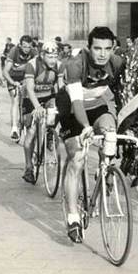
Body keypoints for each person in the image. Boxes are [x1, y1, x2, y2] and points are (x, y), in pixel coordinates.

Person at [56, 26, 125, 243]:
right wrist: (85, 127)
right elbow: (76, 102)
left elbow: (122, 94)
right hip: (71, 107)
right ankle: (73, 216)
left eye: (107, 48)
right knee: (77, 159)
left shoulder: (117, 62)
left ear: (113, 48)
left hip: (97, 104)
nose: (102, 54)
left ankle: (105, 170)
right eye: (97, 48)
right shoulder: (76, 64)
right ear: (89, 48)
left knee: (111, 132)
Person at [21, 41, 65, 183]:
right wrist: (37, 107)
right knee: (31, 132)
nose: (53, 60)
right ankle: (28, 167)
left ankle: (50, 136)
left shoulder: (59, 65)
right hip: (31, 98)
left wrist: (63, 105)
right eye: (50, 57)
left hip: (48, 96)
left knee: (54, 115)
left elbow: (60, 87)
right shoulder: (32, 65)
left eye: (55, 57)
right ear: (42, 55)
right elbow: (29, 88)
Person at [3, 35, 37, 140]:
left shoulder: (34, 52)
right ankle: (14, 128)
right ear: (20, 45)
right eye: (24, 46)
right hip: (13, 77)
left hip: (26, 77)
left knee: (30, 97)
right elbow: (5, 71)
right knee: (16, 99)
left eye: (29, 47)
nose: (27, 49)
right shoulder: (14, 51)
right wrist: (13, 82)